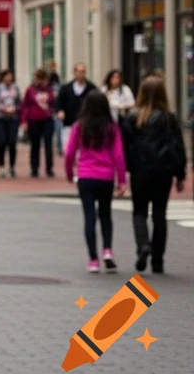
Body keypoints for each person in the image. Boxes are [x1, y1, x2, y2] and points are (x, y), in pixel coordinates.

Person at [120, 76, 188, 274]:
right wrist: (180, 173)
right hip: (163, 172)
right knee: (160, 214)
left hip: (140, 172)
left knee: (139, 211)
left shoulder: (132, 117)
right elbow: (178, 147)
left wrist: (128, 168)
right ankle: (158, 260)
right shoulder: (169, 117)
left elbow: (126, 147)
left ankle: (143, 246)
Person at [63, 91, 126, 273]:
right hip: (105, 177)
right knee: (105, 215)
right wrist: (121, 180)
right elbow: (118, 155)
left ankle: (93, 259)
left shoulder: (79, 126)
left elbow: (69, 153)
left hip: (85, 176)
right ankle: (107, 250)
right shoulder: (111, 128)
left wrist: (69, 173)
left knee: (89, 216)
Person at [20, 68, 57, 178]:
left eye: (42, 79)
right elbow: (24, 106)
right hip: (34, 120)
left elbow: (53, 103)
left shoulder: (49, 90)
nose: (40, 81)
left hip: (47, 120)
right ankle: (34, 168)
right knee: (35, 145)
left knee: (48, 144)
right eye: (38, 78)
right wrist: (24, 121)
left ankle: (49, 168)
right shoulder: (30, 90)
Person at [0, 69, 21, 177]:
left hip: (12, 118)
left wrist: (14, 108)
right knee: (1, 142)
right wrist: (1, 108)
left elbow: (19, 102)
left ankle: (11, 167)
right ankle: (1, 166)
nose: (9, 79)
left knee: (12, 142)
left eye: (10, 77)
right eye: (7, 76)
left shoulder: (15, 88)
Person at [55, 63, 96, 152]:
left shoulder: (91, 88)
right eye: (78, 71)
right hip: (69, 123)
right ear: (74, 72)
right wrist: (60, 111)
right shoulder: (66, 88)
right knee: (68, 149)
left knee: (83, 150)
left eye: (83, 71)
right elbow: (58, 102)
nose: (80, 74)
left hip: (85, 125)